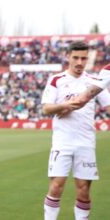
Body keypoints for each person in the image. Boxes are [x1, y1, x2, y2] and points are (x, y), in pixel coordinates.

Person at [41, 41, 110, 220]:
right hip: (62, 142)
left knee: (84, 190)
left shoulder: (95, 82)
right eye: (76, 58)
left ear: (88, 59)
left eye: (84, 58)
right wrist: (65, 105)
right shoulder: (57, 80)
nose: (80, 62)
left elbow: (109, 106)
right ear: (68, 57)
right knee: (56, 187)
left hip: (86, 142)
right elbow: (46, 109)